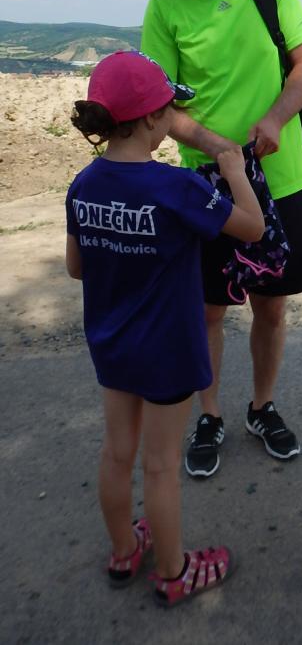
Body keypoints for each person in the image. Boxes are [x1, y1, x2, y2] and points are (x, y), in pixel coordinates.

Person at [65, 50, 265, 606]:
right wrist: (233, 173)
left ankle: (124, 550)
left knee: (116, 454)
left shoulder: (83, 184)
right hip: (168, 349)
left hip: (112, 344)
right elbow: (251, 228)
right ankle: (175, 572)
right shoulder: (177, 188)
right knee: (159, 466)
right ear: (154, 118)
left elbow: (76, 267)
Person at [141, 0, 302, 477]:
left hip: (282, 178)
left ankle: (262, 407)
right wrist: (220, 149)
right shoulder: (164, 3)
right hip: (206, 189)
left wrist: (275, 119)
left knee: (272, 306)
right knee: (208, 311)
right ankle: (211, 414)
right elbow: (162, 108)